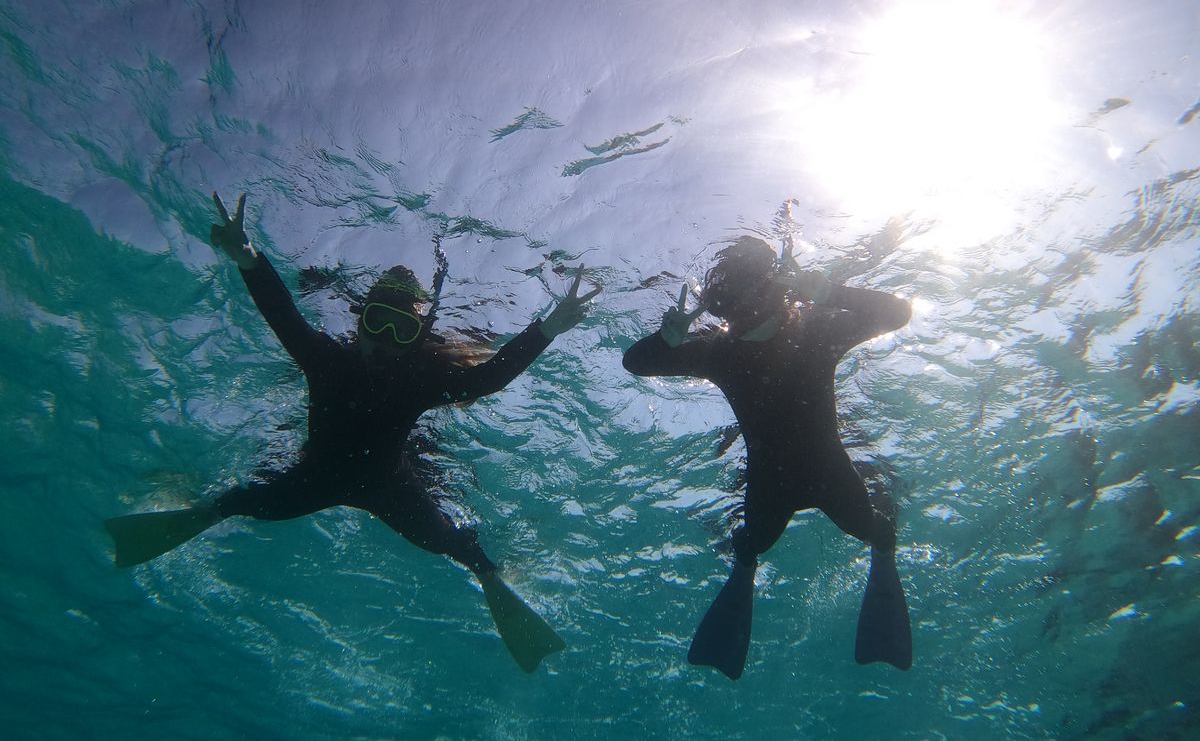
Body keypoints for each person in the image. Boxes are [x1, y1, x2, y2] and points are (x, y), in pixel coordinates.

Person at [106, 192, 598, 673]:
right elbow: (283, 316)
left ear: (416, 339)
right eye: (377, 323)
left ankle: (488, 574)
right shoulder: (327, 362)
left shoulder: (416, 382)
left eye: (401, 331)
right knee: (239, 501)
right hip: (314, 479)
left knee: (460, 546)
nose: (385, 341)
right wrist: (248, 257)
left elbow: (487, 379)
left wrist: (549, 327)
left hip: (391, 489)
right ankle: (208, 510)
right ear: (359, 323)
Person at [622, 236, 912, 679]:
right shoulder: (718, 351)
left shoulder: (816, 330)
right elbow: (636, 362)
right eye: (728, 302)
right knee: (751, 545)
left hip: (822, 479)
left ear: (774, 290)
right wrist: (667, 339)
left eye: (745, 295)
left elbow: (898, 313)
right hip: (778, 487)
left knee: (869, 530)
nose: (737, 314)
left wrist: (828, 292)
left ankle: (881, 544)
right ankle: (749, 563)